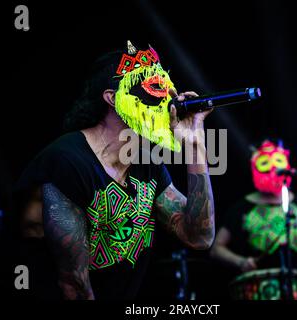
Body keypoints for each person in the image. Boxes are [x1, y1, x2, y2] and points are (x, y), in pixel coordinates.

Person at [12, 41, 215, 300]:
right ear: (113, 98)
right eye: (156, 87)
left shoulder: (147, 164)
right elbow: (73, 283)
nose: (170, 98)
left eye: (170, 89)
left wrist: (195, 144)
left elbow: (199, 237)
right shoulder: (67, 163)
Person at [210, 139, 297, 298]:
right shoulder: (241, 208)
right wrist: (240, 262)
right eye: (265, 163)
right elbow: (216, 248)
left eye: (278, 161)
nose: (274, 168)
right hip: (258, 288)